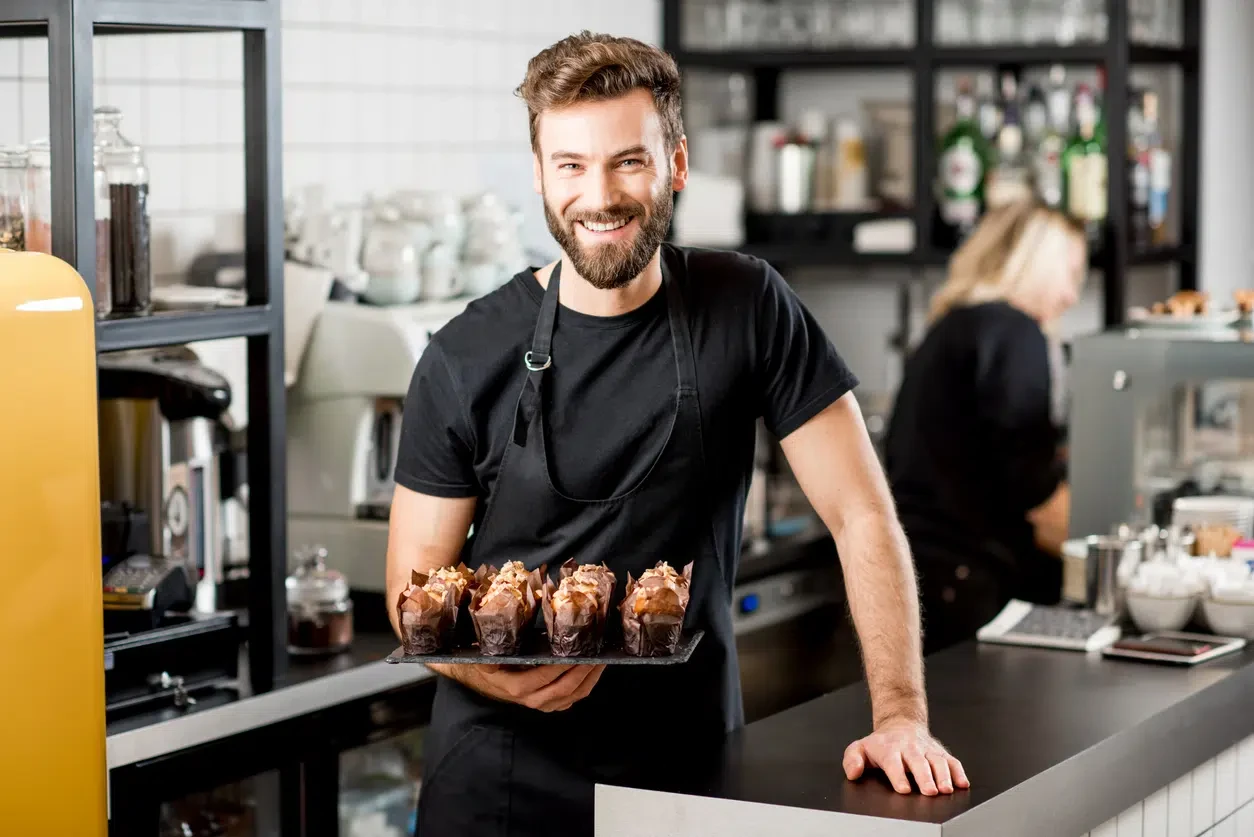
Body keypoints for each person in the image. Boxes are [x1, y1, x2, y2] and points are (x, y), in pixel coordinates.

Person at [385, 31, 968, 837]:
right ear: (539, 176)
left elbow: (861, 515)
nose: (600, 196)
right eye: (571, 166)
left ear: (677, 165)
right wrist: (497, 678)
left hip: (690, 779)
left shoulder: (747, 306)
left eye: (628, 161)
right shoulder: (462, 357)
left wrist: (901, 712)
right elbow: (411, 594)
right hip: (499, 786)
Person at [883, 200, 1087, 656]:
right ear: (1035, 261)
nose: (1072, 296)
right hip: (973, 579)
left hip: (920, 573)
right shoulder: (1016, 333)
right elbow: (1031, 486)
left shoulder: (954, 326)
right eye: (1071, 274)